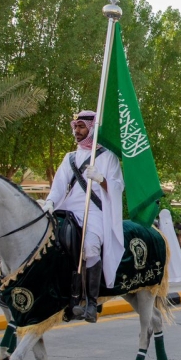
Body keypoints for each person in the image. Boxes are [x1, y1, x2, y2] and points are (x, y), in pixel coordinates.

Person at [43, 111, 124, 323]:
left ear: (92, 128)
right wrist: (50, 202)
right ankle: (68, 298)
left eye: (81, 126)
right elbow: (59, 186)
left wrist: (100, 178)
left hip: (96, 210)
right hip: (69, 209)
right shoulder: (69, 157)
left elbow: (117, 187)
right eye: (75, 126)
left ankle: (91, 302)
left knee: (90, 246)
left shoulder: (108, 156)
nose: (76, 131)